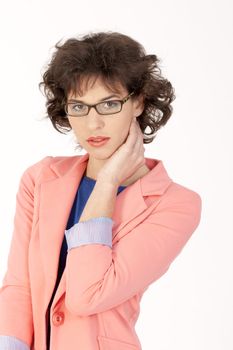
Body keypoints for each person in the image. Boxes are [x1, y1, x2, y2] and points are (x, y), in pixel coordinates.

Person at [0, 31, 202, 350]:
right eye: (79, 107)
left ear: (137, 102)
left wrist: (107, 182)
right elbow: (19, 286)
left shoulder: (176, 205)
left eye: (109, 104)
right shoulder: (40, 179)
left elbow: (86, 295)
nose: (93, 124)